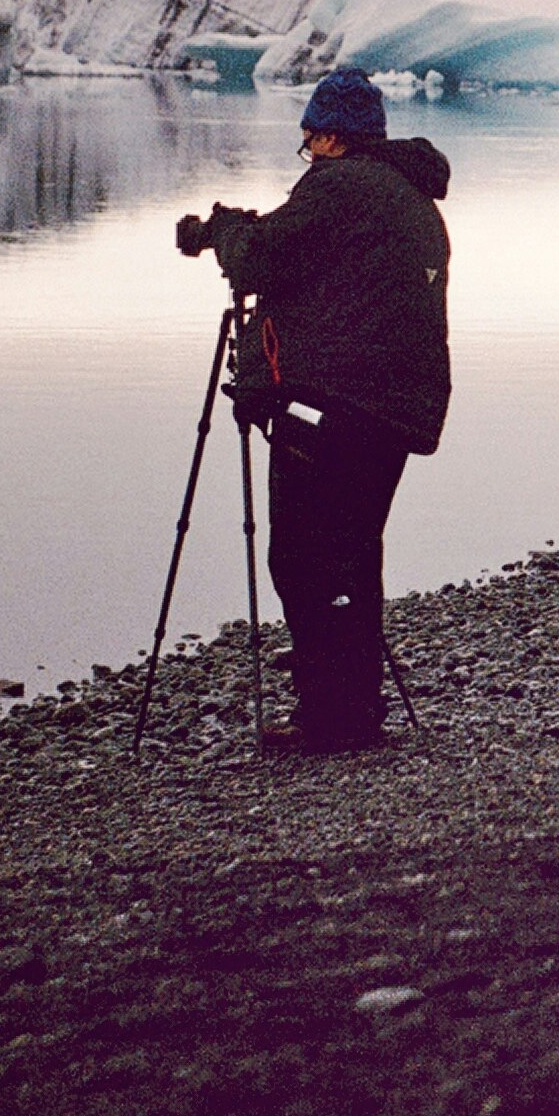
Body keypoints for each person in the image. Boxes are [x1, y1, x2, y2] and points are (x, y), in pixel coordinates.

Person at [200, 69, 451, 753]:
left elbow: (257, 260)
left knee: (303, 558)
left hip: (334, 403)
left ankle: (331, 718)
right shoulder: (411, 197)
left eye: (309, 139)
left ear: (334, 138)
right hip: (396, 404)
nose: (307, 152)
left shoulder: (339, 186)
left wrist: (226, 232)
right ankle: (354, 708)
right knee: (353, 552)